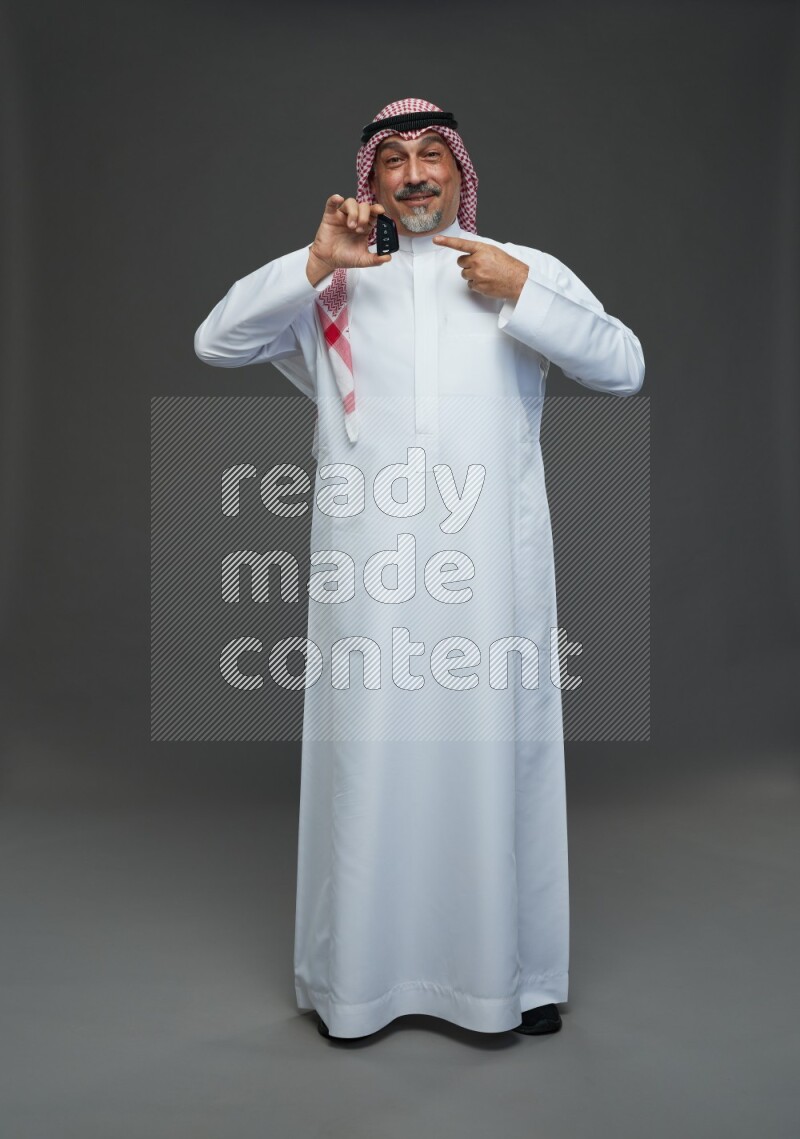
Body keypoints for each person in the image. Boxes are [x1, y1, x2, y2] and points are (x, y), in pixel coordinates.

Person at [194, 97, 645, 1042]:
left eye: (432, 154)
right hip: (370, 575)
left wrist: (524, 288)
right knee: (373, 761)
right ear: (372, 179)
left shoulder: (520, 269)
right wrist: (318, 260)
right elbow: (218, 341)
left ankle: (510, 980)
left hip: (491, 576)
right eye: (394, 158)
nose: (415, 173)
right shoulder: (337, 285)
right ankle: (358, 982)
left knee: (496, 760)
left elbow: (622, 367)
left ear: (458, 170)